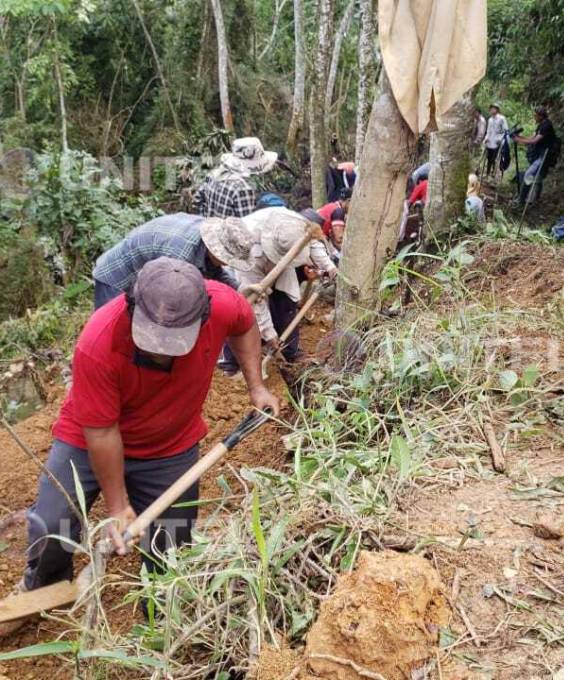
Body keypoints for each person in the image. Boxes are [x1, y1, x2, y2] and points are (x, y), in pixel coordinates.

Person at [0, 258, 280, 637]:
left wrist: (256, 385)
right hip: (88, 438)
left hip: (171, 443)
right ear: (130, 306)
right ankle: (45, 586)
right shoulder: (99, 342)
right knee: (52, 524)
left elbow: (245, 322)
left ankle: (159, 613)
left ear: (203, 316)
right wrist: (118, 508)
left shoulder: (221, 302)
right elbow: (102, 433)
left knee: (171, 542)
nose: (163, 354)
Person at [219, 209, 331, 372]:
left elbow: (311, 241)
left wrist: (329, 267)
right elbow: (255, 300)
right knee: (241, 312)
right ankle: (233, 364)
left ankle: (289, 352)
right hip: (245, 267)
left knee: (287, 300)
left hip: (279, 258)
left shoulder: (294, 224)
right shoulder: (248, 251)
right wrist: (269, 333)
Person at [92, 213, 255, 309]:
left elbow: (215, 271)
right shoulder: (179, 254)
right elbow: (164, 299)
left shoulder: (205, 240)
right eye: (226, 259)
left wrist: (239, 288)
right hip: (117, 277)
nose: (227, 264)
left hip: (145, 273)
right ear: (215, 248)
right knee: (112, 333)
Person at [193, 137, 278, 218]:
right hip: (228, 232)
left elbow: (197, 201)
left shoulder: (213, 174)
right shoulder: (242, 189)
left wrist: (205, 220)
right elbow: (247, 223)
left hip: (208, 229)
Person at [513, 106, 559, 205]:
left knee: (528, 174)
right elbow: (532, 137)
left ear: (541, 116)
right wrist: (520, 138)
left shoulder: (546, 125)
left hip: (545, 156)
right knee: (538, 177)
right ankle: (534, 199)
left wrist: (519, 140)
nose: (534, 117)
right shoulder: (541, 125)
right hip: (539, 155)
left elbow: (534, 141)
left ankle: (521, 200)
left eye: (535, 115)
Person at [483, 104, 508, 177]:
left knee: (495, 158)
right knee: (489, 158)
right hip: (490, 141)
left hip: (497, 142)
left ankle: (493, 173)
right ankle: (487, 173)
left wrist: (500, 139)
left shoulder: (502, 118)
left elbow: (505, 130)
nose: (492, 110)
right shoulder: (490, 120)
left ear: (497, 110)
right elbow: (488, 131)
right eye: (491, 109)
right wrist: (486, 138)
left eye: (493, 108)